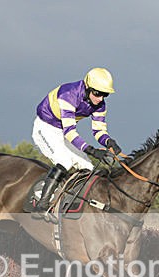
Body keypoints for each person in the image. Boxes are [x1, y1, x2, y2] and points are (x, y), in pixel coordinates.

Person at [27, 67, 122, 217]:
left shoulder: (100, 105)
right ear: (87, 87)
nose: (100, 98)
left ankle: (69, 207)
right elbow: (70, 133)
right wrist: (92, 151)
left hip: (62, 132)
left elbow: (98, 131)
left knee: (88, 168)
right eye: (97, 93)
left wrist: (109, 142)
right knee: (64, 161)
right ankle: (41, 205)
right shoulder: (68, 95)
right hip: (45, 128)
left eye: (105, 94)